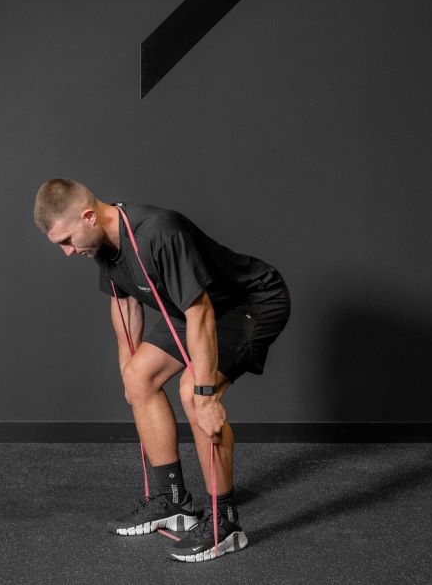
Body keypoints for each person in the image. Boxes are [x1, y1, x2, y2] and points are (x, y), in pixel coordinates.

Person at [33, 178, 291, 562]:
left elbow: (200, 311)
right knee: (139, 377)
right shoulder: (101, 244)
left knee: (192, 392)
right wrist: (129, 370)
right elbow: (126, 306)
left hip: (250, 303)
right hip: (198, 310)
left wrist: (205, 394)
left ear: (88, 216)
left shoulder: (158, 232)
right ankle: (173, 503)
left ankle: (226, 524)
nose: (68, 253)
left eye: (67, 241)